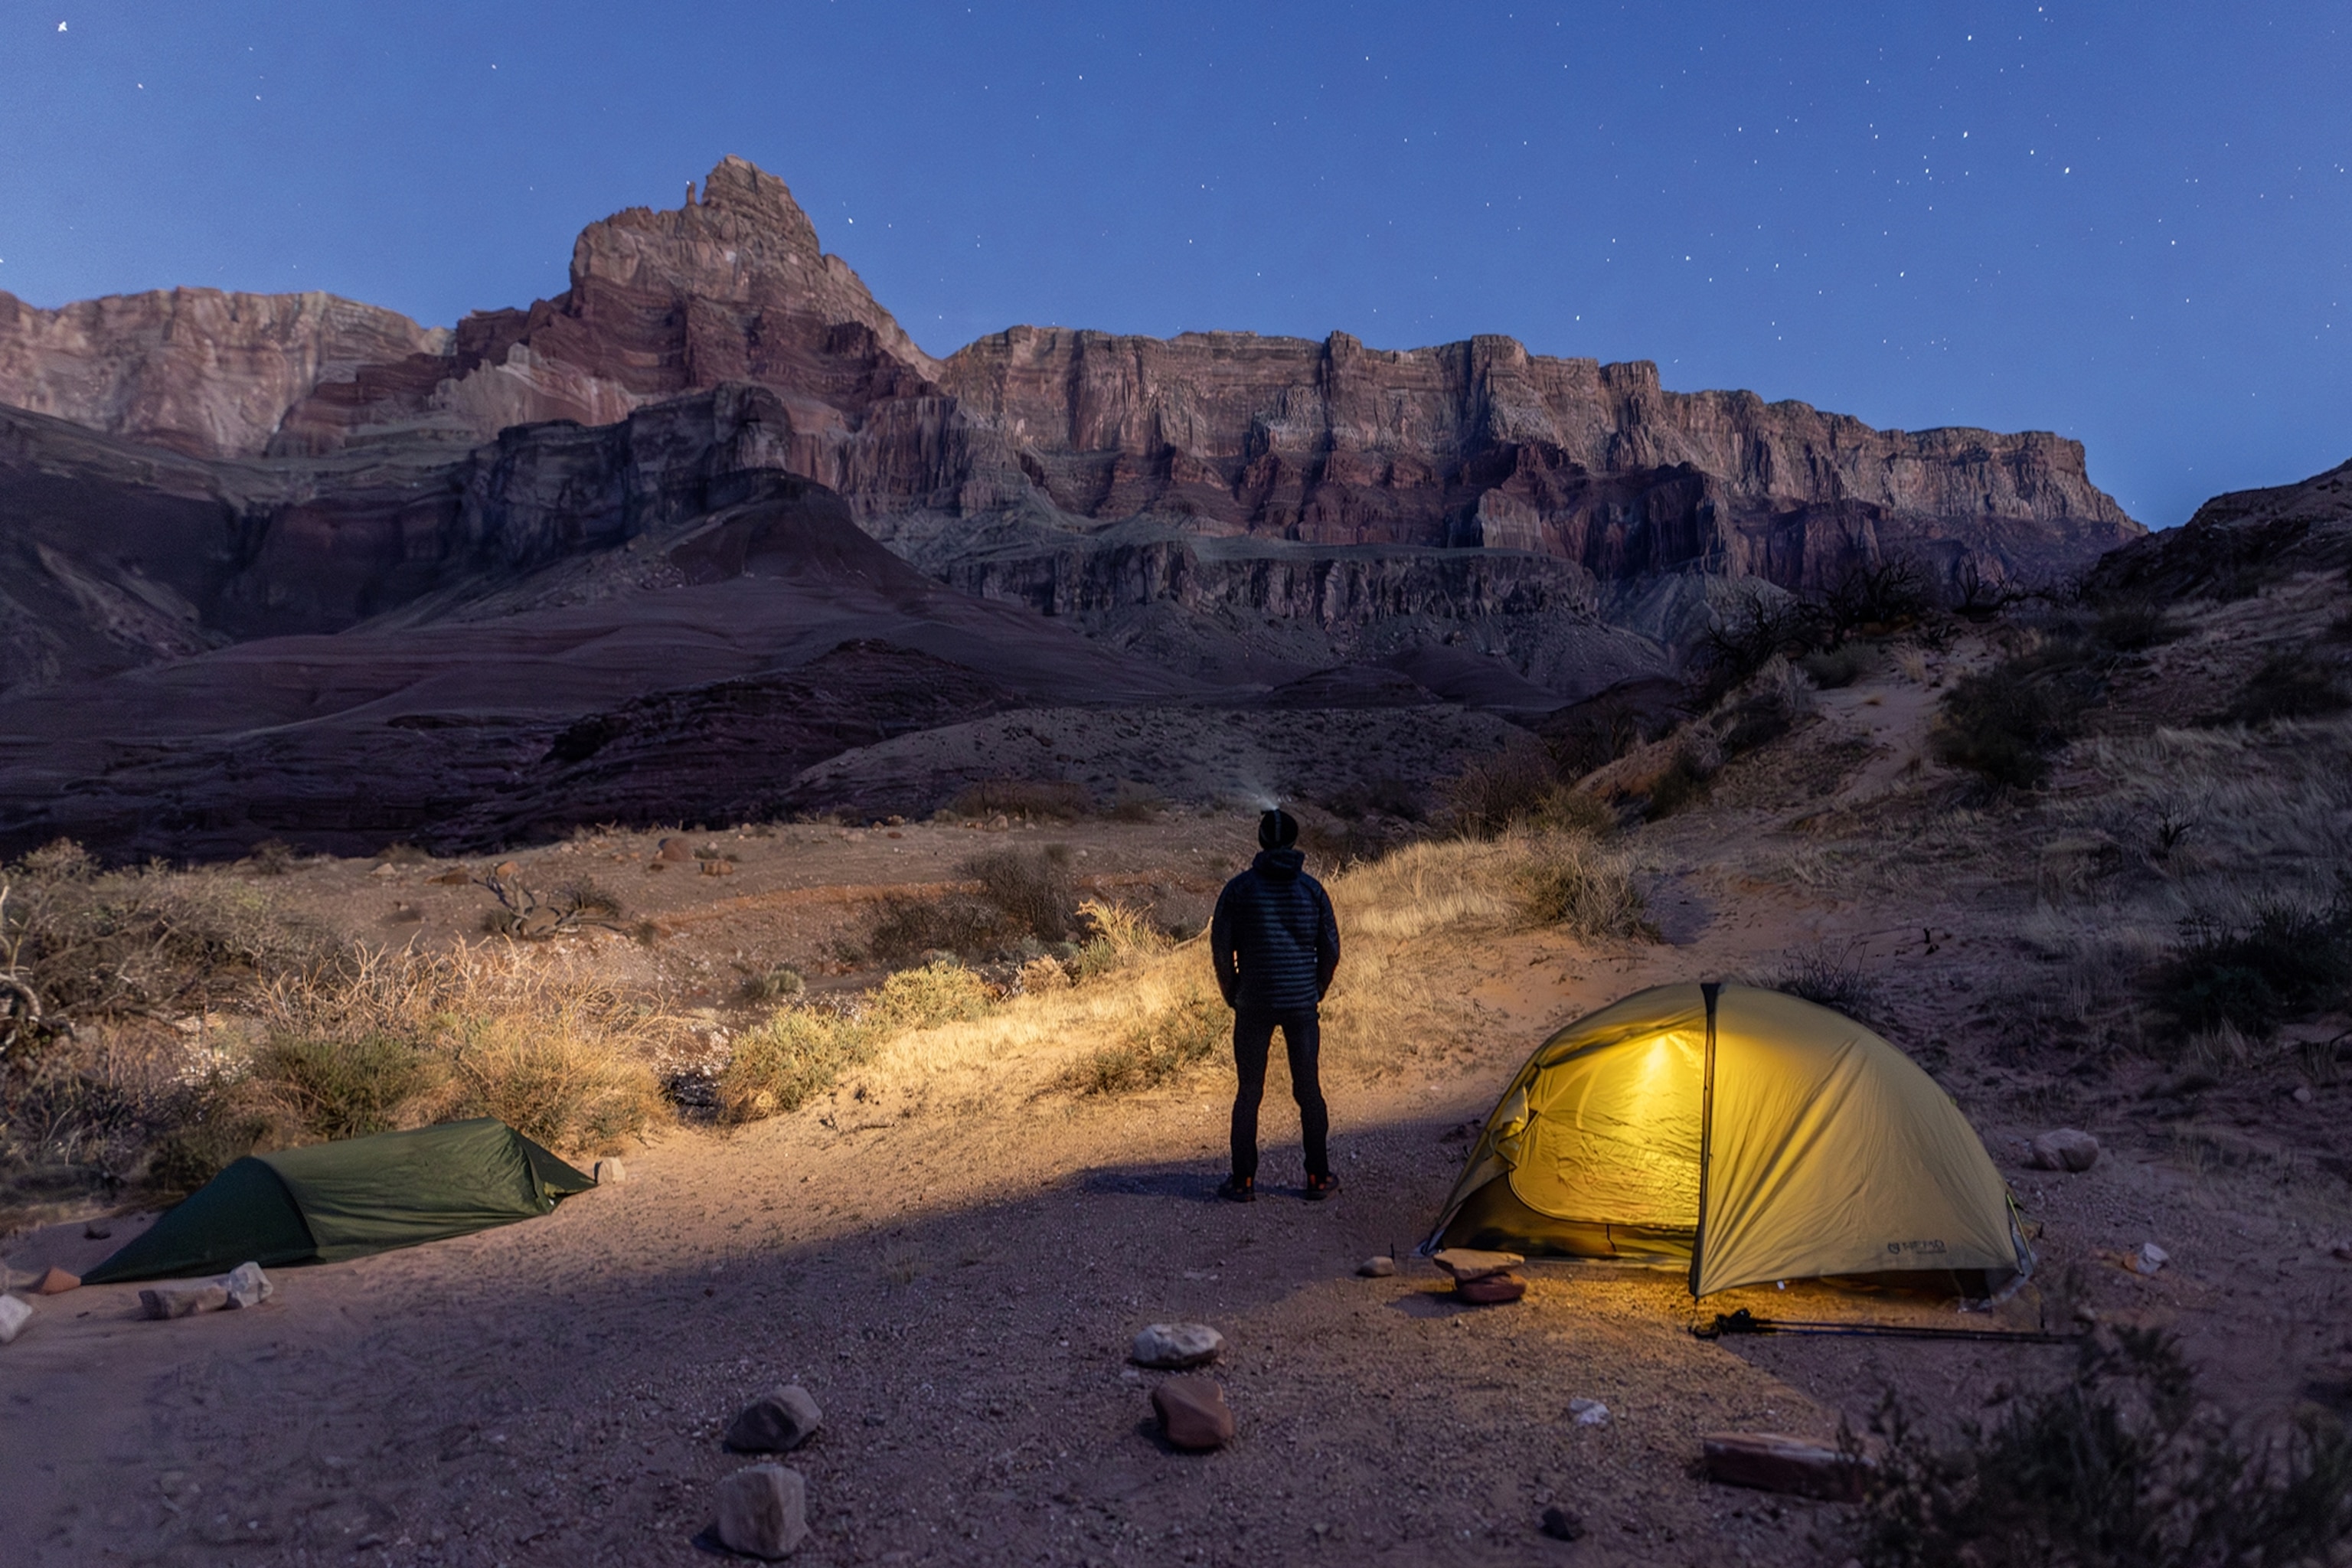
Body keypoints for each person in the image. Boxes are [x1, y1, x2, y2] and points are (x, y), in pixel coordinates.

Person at [1208, 807, 1341, 1202]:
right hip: (1302, 1005)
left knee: (1249, 1092)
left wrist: (1232, 992)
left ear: (1262, 841)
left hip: (1253, 1004)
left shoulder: (1238, 889)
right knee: (1309, 1091)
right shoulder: (1313, 890)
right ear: (1294, 842)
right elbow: (1331, 949)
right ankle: (1317, 1178)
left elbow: (1220, 949)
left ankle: (1243, 1182)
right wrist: (1314, 989)